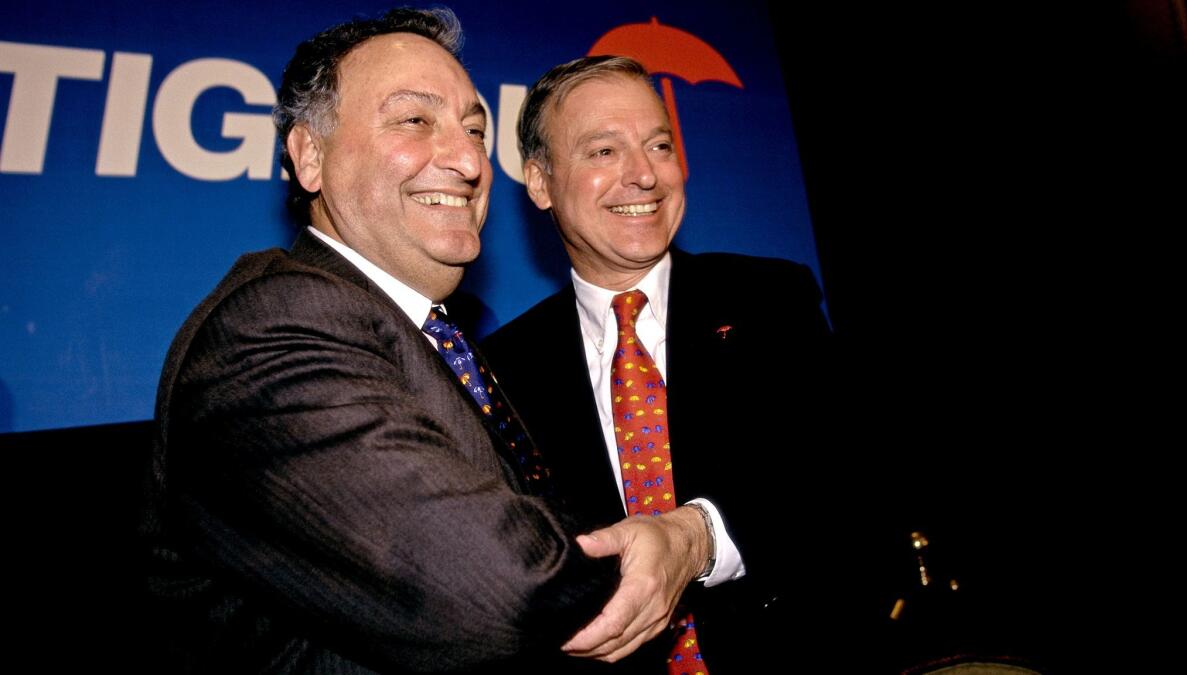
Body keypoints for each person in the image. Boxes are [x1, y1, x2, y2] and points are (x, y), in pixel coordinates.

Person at [140, 11, 710, 673]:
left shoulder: (436, 337)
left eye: (474, 129)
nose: (469, 160)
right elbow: (507, 588)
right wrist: (681, 544)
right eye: (415, 121)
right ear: (311, 157)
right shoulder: (272, 324)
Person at [483, 56, 846, 672]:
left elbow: (834, 482)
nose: (644, 175)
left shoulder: (772, 299)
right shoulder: (502, 369)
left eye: (658, 144)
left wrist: (692, 539)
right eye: (603, 151)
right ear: (541, 182)